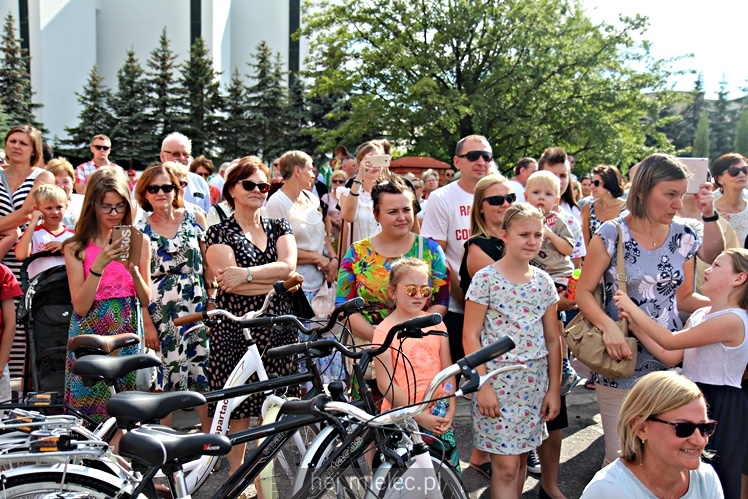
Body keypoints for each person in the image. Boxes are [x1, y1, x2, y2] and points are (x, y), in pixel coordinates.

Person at [576, 153, 707, 468]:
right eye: (670, 194)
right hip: (622, 357)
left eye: (681, 195)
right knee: (620, 456)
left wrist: (728, 310)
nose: (678, 204)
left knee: (662, 459)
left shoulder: (685, 236)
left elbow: (685, 297)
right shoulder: (611, 233)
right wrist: (608, 327)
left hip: (670, 359)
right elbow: (583, 291)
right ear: (643, 191)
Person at [614, 248, 748, 499]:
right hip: (692, 397)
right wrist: (636, 328)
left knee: (717, 474)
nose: (707, 270)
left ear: (739, 278)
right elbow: (670, 354)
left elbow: (671, 341)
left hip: (721, 403)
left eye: (717, 266)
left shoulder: (734, 319)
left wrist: (633, 310)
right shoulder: (700, 314)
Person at [204, 156, 299, 475]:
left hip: (276, 326)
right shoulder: (218, 231)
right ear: (232, 189)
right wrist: (276, 282)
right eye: (250, 184)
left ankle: (264, 476)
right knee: (240, 405)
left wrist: (245, 273)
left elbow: (289, 266)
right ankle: (237, 475)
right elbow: (226, 284)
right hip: (237, 328)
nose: (259, 190)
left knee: (273, 404)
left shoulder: (278, 225)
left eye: (264, 185)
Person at [463, 202, 561, 499]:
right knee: (505, 466)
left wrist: (553, 389)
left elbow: (553, 339)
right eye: (523, 234)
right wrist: (483, 385)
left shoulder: (543, 282)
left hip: (533, 384)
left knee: (518, 461)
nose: (532, 241)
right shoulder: (485, 279)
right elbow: (470, 335)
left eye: (537, 234)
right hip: (497, 382)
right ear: (504, 235)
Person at [336, 176, 449, 393]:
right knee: (371, 419)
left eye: (406, 210)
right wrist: (380, 337)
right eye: (392, 212)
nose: (401, 217)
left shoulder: (431, 251)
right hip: (367, 349)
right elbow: (344, 305)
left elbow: (440, 301)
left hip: (418, 346)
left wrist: (412, 333)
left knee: (419, 410)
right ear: (376, 215)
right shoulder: (357, 253)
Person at [63, 168, 152, 424]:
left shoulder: (140, 241)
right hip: (89, 331)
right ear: (93, 205)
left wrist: (132, 270)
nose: (114, 214)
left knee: (123, 410)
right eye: (106, 207)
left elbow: (146, 299)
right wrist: (98, 266)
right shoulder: (75, 246)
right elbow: (79, 307)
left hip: (125, 331)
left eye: (120, 206)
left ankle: (120, 463)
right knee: (86, 410)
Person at [134, 163, 212, 433]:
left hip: (197, 305)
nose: (160, 193)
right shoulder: (141, 230)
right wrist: (147, 322)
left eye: (167, 187)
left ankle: (208, 442)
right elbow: (140, 280)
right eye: (153, 188)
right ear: (144, 193)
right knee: (166, 376)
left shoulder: (195, 217)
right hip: (162, 311)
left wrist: (212, 299)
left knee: (203, 371)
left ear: (176, 190)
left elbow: (208, 263)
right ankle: (164, 444)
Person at [373, 257, 459, 472]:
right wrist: (418, 416)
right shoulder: (384, 331)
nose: (419, 296)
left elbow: (448, 372)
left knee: (445, 480)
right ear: (393, 291)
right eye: (411, 290)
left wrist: (449, 408)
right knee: (408, 484)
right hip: (402, 421)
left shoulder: (436, 324)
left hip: (438, 417)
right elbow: (386, 385)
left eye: (425, 290)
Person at [265, 150, 342, 388]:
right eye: (310, 168)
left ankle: (332, 397)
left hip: (322, 286)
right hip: (296, 288)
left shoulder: (311, 197)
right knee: (303, 352)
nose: (314, 173)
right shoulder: (276, 203)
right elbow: (282, 249)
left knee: (329, 346)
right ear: (297, 170)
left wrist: (332, 258)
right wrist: (318, 259)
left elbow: (322, 234)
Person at [581, 371, 723, 499]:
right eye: (684, 428)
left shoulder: (706, 479)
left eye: (705, 427)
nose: (699, 441)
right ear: (640, 427)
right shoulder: (607, 492)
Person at [456, 173, 515, 476]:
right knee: (498, 410)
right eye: (496, 200)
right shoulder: (479, 248)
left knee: (508, 412)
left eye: (509, 199)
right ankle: (495, 455)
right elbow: (511, 294)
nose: (504, 204)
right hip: (493, 341)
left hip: (516, 339)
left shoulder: (514, 238)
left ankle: (484, 455)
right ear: (481, 207)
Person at [337, 140, 390, 257]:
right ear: (360, 162)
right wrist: (360, 175)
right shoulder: (346, 193)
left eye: (377, 160)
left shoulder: (391, 193)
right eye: (369, 160)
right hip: (359, 261)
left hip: (387, 259)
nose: (374, 165)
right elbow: (347, 221)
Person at [14, 184, 74, 278]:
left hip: (68, 288)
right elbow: (21, 255)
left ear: (66, 207)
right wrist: (32, 224)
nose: (55, 212)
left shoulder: (73, 235)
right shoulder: (33, 233)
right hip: (40, 289)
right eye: (49, 208)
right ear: (37, 209)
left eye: (59, 207)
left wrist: (66, 247)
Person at [160, 132, 211, 214]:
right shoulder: (150, 182)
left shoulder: (200, 182)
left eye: (186, 154)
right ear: (162, 156)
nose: (182, 158)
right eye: (176, 154)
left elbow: (207, 216)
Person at [581, 165, 627, 247]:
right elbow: (585, 243)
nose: (591, 186)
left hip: (621, 258)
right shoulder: (588, 208)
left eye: (596, 183)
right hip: (595, 258)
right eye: (592, 182)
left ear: (609, 183)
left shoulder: (627, 208)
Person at [712, 153, 748, 246]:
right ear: (719, 179)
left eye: (745, 170)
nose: (742, 175)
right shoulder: (709, 211)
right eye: (734, 171)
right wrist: (714, 225)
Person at [47, 158, 84, 230]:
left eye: (65, 182)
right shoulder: (43, 205)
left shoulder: (84, 201)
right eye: (56, 182)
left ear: (73, 181)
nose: (61, 186)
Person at [321, 170, 346, 252]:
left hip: (345, 234)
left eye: (340, 181)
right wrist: (335, 221)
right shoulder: (326, 197)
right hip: (331, 235)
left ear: (345, 183)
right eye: (335, 181)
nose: (337, 183)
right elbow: (322, 214)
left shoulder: (348, 197)